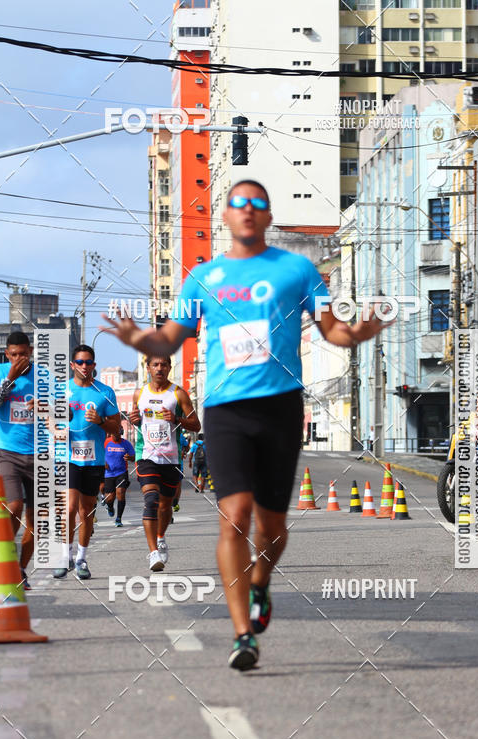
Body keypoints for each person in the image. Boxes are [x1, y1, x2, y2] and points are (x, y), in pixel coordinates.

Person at [103, 179, 387, 670]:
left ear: (268, 213)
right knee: (234, 514)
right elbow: (170, 338)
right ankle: (241, 635)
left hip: (280, 406)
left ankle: (260, 582)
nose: (249, 211)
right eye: (239, 204)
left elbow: (331, 329)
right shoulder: (203, 279)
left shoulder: (297, 270)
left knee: (273, 526)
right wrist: (140, 339)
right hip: (226, 409)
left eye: (258, 203)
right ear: (227, 217)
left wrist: (358, 331)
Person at [53, 344, 120, 580]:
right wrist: (57, 430)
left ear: (94, 365)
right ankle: (64, 556)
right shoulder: (60, 391)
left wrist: (101, 421)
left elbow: (117, 429)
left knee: (86, 511)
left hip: (93, 460)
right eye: (79, 362)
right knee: (69, 507)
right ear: (72, 365)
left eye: (88, 362)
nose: (84, 366)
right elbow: (49, 421)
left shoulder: (105, 392)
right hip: (67, 456)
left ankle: (81, 559)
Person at [128, 355, 200, 572]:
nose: (159, 368)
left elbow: (196, 424)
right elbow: (136, 420)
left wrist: (177, 419)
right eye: (155, 365)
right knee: (151, 500)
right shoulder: (139, 393)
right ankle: (153, 553)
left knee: (166, 505)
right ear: (147, 368)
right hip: (146, 455)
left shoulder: (178, 393)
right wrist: (134, 419)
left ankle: (160, 537)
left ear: (169, 368)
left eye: (164, 365)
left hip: (171, 457)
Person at [0, 332, 36, 589]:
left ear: (31, 352)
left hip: (40, 454)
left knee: (39, 520)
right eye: (13, 355)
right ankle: (4, 556)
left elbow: (64, 411)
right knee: (13, 505)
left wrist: (45, 407)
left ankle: (20, 569)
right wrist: (9, 380)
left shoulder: (43, 376)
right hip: (7, 451)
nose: (18, 359)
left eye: (23, 354)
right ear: (7, 354)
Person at [103, 427, 135, 526]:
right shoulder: (105, 442)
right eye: (114, 434)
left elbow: (133, 458)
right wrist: (103, 462)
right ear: (110, 434)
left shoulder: (126, 444)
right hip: (108, 474)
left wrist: (129, 458)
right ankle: (110, 507)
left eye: (118, 435)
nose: (116, 436)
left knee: (120, 493)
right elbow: (98, 453)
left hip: (121, 473)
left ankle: (118, 518)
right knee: (109, 498)